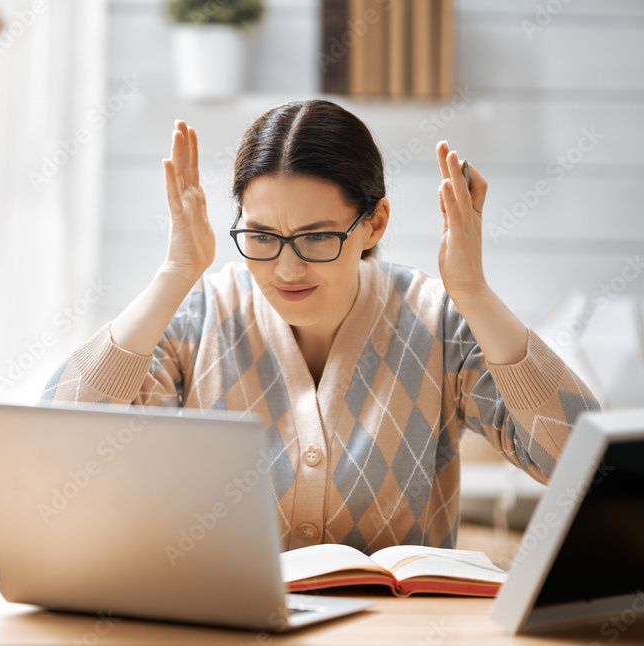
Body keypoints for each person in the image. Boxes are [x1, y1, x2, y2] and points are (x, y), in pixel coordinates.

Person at [41, 103, 600, 553]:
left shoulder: (438, 322)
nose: (286, 268)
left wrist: (474, 294)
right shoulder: (198, 316)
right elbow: (59, 448)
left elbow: (584, 463)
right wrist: (175, 273)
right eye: (260, 236)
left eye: (316, 237)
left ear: (373, 223)